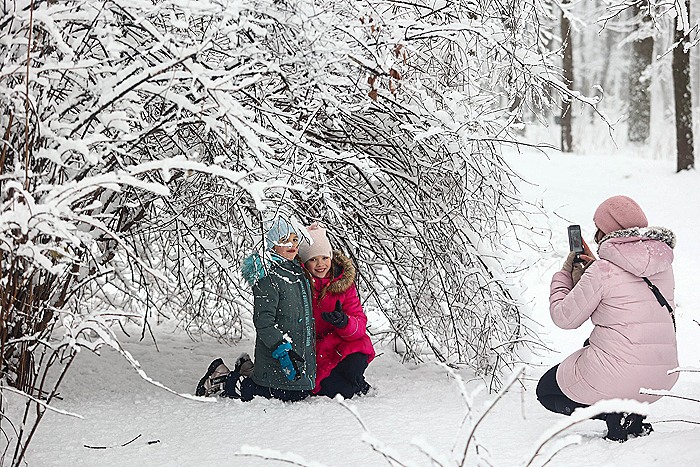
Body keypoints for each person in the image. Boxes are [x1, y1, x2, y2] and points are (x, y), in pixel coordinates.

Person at [536, 195, 679, 442]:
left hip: (618, 377)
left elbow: (564, 318)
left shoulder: (603, 271)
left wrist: (564, 276)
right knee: (598, 350)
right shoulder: (663, 266)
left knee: (546, 391)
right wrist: (593, 272)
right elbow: (628, 290)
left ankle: (615, 414)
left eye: (598, 227)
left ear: (607, 230)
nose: (594, 234)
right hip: (662, 378)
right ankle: (632, 414)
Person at [195, 216, 316, 402]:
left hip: (297, 355)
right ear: (272, 244)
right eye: (284, 240)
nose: (292, 245)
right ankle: (221, 379)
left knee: (299, 392)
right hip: (278, 355)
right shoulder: (268, 277)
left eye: (294, 239)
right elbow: (264, 320)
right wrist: (281, 349)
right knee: (271, 394)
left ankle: (248, 369)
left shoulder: (296, 271)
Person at [297, 222, 375, 399]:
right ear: (304, 262)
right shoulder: (299, 285)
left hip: (339, 342)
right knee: (339, 390)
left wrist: (344, 322)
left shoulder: (343, 285)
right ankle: (352, 385)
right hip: (313, 349)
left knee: (357, 356)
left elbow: (359, 324)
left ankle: (352, 381)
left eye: (324, 258)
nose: (320, 264)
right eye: (313, 259)